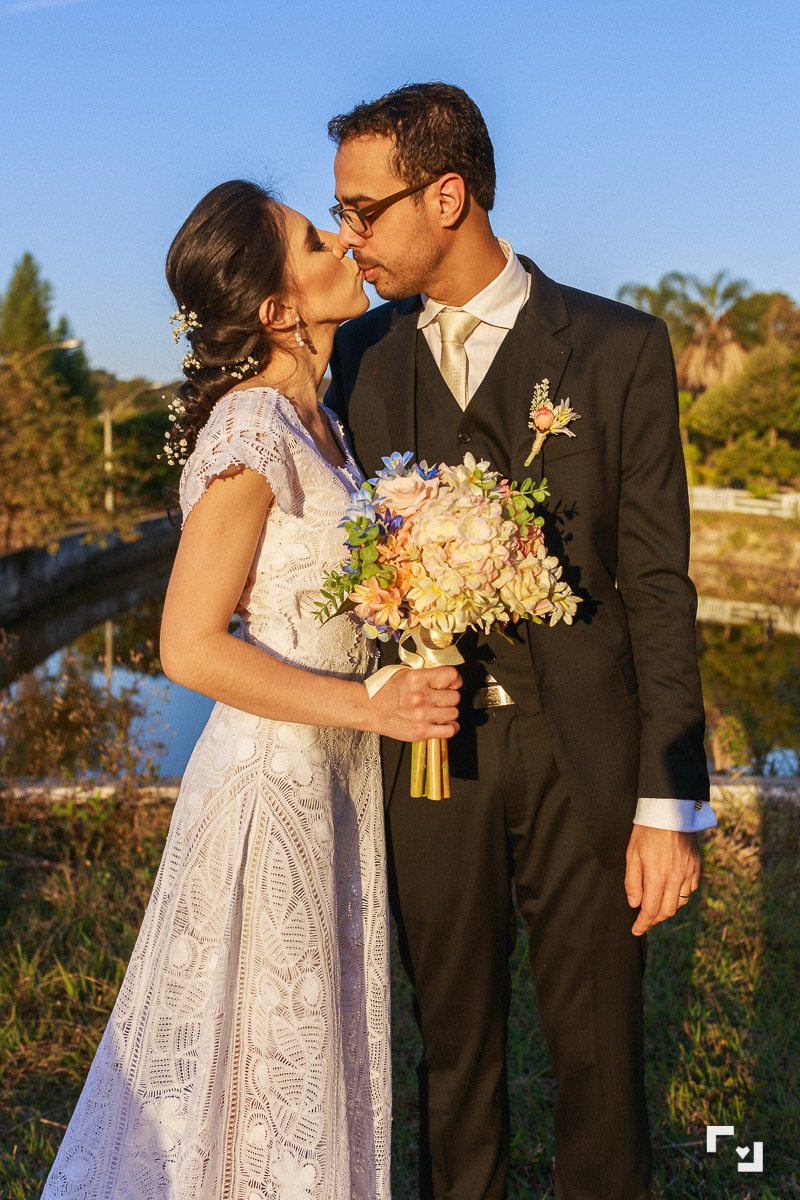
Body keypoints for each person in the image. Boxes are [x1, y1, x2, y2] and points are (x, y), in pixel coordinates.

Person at [325, 83, 716, 1200]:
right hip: (425, 763)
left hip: (581, 760)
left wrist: (666, 803)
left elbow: (654, 585)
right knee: (450, 1058)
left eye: (364, 210)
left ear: (446, 195)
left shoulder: (615, 347)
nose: (349, 236)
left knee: (598, 1062)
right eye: (340, 214)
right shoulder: (356, 360)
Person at [41, 179, 461, 1200]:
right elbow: (186, 647)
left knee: (300, 1056)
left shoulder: (320, 423)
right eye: (319, 241)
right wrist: (367, 706)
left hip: (333, 783)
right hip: (271, 790)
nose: (344, 243)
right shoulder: (249, 432)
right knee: (254, 1058)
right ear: (277, 310)